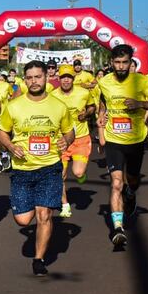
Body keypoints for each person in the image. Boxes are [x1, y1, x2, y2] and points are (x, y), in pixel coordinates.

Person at [0, 60, 75, 276]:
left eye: (38, 77)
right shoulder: (14, 106)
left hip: (50, 167)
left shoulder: (59, 106)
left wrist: (66, 141)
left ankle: (38, 259)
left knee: (44, 214)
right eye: (29, 77)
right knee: (23, 219)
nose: (34, 81)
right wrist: (11, 146)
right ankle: (33, 215)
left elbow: (70, 131)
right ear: (24, 80)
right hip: (22, 169)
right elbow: (1, 133)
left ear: (46, 78)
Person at [97, 44, 148, 248]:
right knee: (116, 183)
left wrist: (140, 104)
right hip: (114, 140)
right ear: (111, 63)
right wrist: (101, 114)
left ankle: (131, 192)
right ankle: (118, 229)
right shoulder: (104, 82)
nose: (120, 66)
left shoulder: (141, 81)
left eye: (124, 62)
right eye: (117, 62)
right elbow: (102, 100)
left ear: (131, 62)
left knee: (132, 181)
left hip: (135, 140)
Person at [51, 64, 96, 218]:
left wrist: (87, 114)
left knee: (78, 172)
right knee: (60, 176)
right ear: (59, 79)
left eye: (69, 77)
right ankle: (65, 205)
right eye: (63, 77)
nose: (66, 80)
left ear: (73, 78)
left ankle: (81, 176)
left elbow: (92, 107)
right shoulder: (53, 95)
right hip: (61, 140)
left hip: (80, 139)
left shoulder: (83, 93)